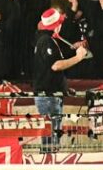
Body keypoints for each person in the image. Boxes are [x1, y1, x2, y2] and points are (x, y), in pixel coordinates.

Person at [32, 8, 87, 151]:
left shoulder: (47, 40)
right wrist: (78, 57)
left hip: (51, 95)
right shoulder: (46, 41)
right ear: (57, 25)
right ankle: (50, 166)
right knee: (51, 139)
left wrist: (63, 87)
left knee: (53, 137)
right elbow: (55, 66)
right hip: (47, 96)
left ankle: (51, 163)